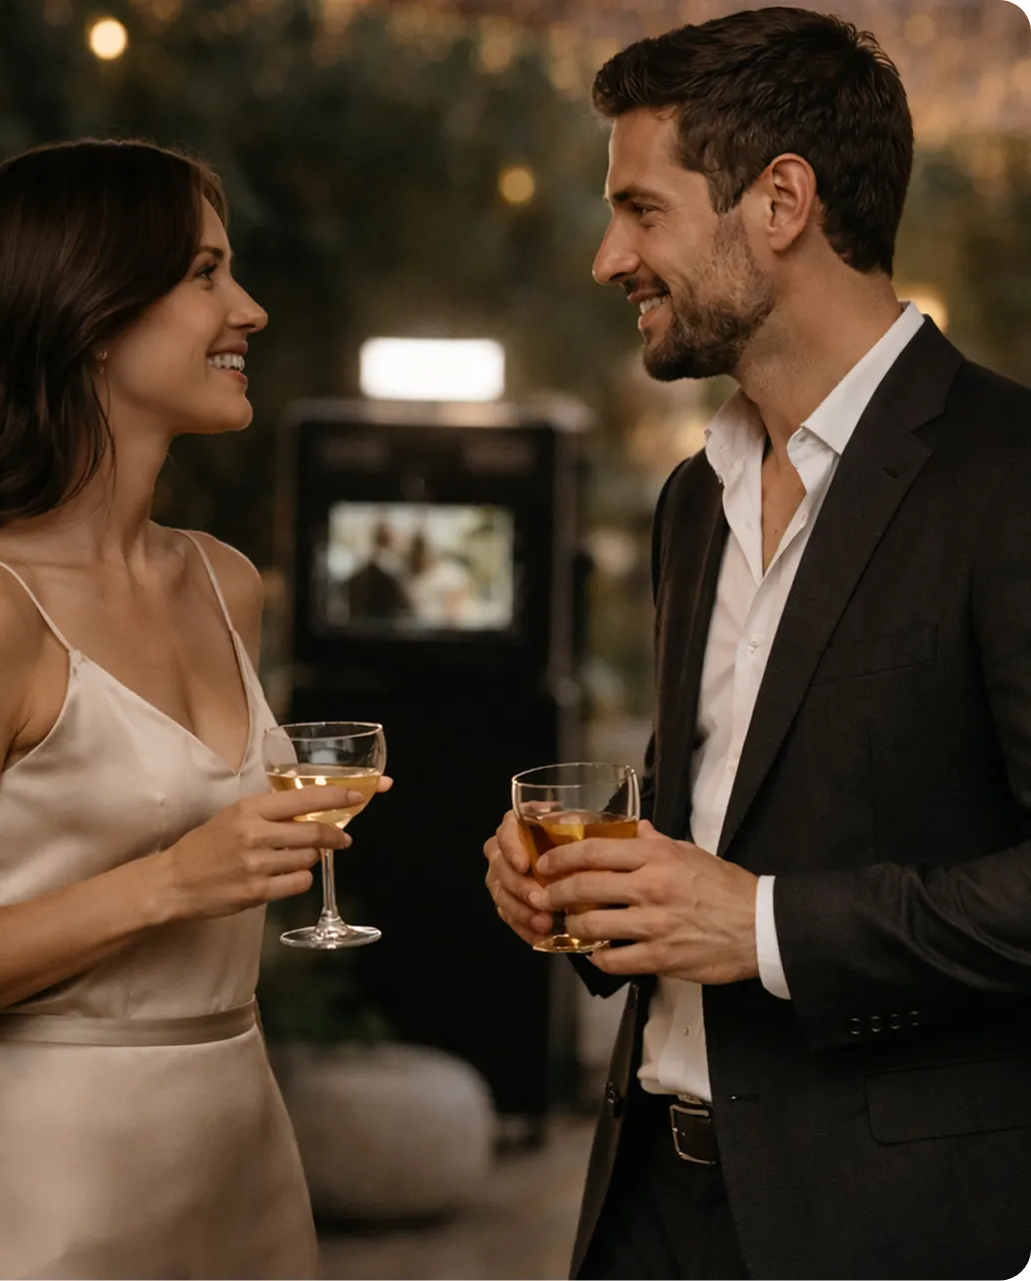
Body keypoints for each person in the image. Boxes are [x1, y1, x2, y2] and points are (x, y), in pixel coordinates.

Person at [484, 9, 1031, 1279]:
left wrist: (767, 927)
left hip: (891, 1230)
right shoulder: (695, 496)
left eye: (642, 209)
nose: (608, 258)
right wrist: (591, 885)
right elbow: (742, 799)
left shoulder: (1009, 475)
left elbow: (755, 901)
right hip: (644, 1206)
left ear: (782, 201)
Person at [0, 139, 371, 1280]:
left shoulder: (226, 583)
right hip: (46, 1194)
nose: (250, 310)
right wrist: (172, 881)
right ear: (94, 319)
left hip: (242, 1158)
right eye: (206, 274)